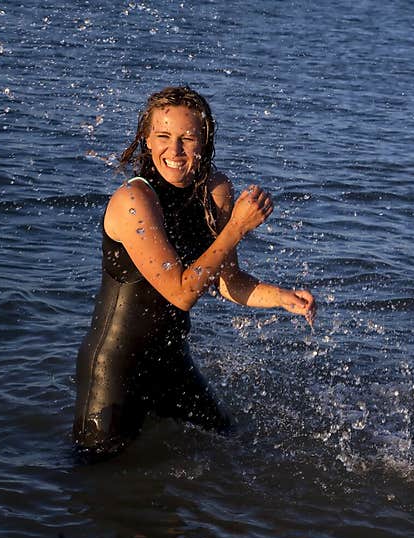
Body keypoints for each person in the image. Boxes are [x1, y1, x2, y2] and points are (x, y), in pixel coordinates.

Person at [73, 86, 316, 463]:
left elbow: (229, 281)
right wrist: (236, 227)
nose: (176, 150)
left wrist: (284, 298)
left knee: (232, 443)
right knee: (99, 479)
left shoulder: (214, 191)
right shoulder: (134, 201)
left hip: (171, 361)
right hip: (116, 366)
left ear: (205, 141)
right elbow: (181, 293)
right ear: (146, 140)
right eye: (164, 137)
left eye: (188, 138)